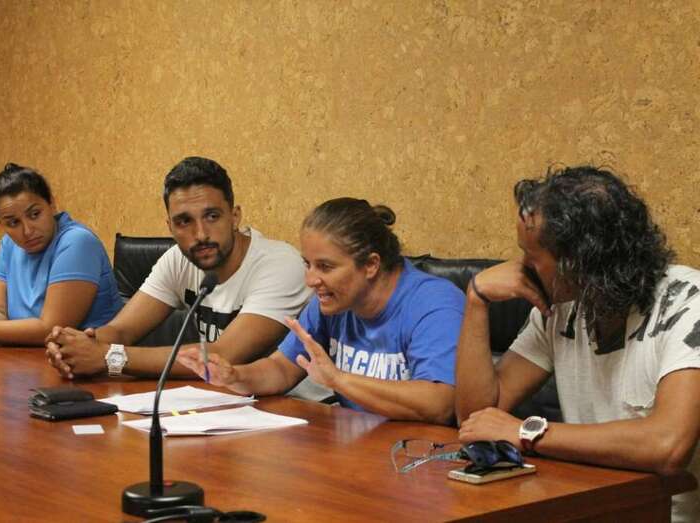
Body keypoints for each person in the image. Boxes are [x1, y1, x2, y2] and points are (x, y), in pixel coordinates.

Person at [454, 166, 700, 521]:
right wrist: (476, 300)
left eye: (532, 256)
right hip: (585, 508)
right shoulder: (560, 306)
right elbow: (476, 418)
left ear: (578, 263)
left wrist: (526, 432)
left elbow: (667, 445)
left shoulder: (687, 304)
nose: (522, 267)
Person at [178, 197, 465, 423]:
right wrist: (234, 376)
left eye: (325, 267)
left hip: (417, 456)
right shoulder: (333, 301)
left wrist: (339, 379)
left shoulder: (433, 304)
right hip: (357, 445)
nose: (311, 280)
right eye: (308, 264)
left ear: (371, 265)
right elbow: (282, 369)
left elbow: (439, 404)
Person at [46, 156, 311, 378]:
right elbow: (122, 330)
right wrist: (74, 345)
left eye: (212, 216)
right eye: (184, 222)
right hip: (223, 401)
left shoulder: (280, 264)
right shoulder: (179, 259)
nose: (201, 234)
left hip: (297, 407)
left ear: (234, 217)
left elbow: (224, 355)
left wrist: (110, 357)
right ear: (170, 227)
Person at [0, 163, 123, 346]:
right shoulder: (9, 244)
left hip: (93, 365)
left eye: (35, 214)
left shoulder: (77, 242)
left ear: (52, 204)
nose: (27, 231)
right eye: (13, 223)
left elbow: (51, 329)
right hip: (30, 360)